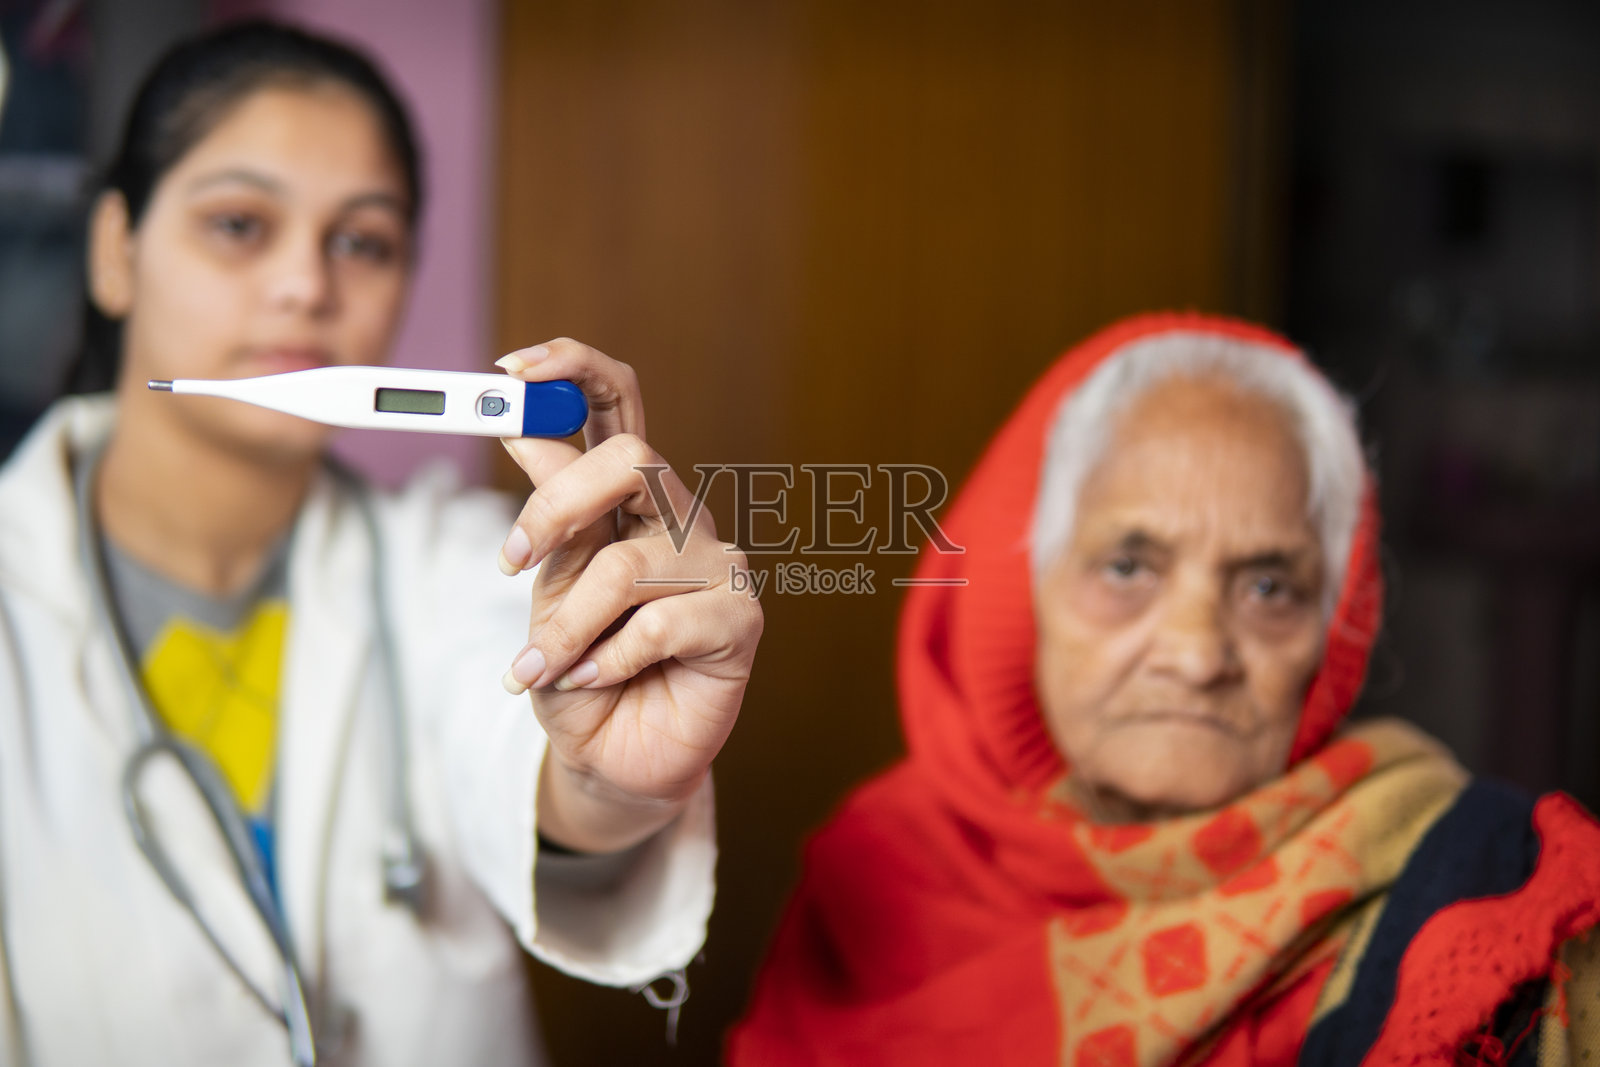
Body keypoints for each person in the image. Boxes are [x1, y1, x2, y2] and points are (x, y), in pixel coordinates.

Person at [0, 20, 761, 1067]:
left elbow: (530, 755)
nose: (307, 286)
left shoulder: (470, 563)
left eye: (362, 240)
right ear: (115, 250)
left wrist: (613, 781)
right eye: (238, 223)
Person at [728, 312, 1600, 1066]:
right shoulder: (879, 873)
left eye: (1268, 588)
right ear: (1019, 591)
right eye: (1128, 566)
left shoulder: (1476, 896)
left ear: (1331, 634)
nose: (1194, 653)